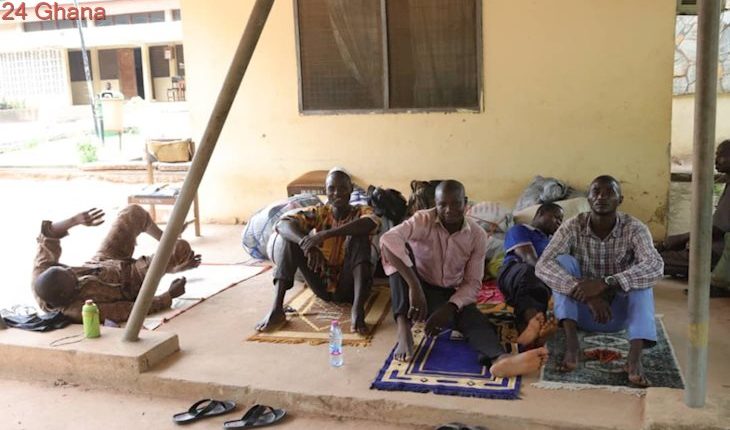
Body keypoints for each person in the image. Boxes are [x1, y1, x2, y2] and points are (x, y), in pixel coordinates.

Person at [380, 180, 548, 378]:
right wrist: (415, 287)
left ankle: (500, 359)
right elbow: (388, 240)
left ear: (465, 203)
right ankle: (403, 329)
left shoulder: (477, 235)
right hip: (416, 282)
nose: (448, 210)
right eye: (442, 204)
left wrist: (450, 307)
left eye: (455, 203)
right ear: (435, 204)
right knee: (397, 264)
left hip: (445, 291)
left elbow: (473, 283)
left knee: (473, 319)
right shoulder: (422, 220)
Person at [535, 175, 663, 387]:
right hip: (581, 313)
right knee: (563, 262)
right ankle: (572, 345)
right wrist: (585, 293)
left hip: (620, 315)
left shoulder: (634, 228)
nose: (601, 197)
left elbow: (655, 266)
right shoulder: (573, 225)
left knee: (642, 277)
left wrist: (606, 283)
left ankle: (634, 358)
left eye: (609, 192)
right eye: (596, 191)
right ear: (588, 198)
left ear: (620, 200)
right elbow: (543, 265)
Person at [255, 168, 379, 335]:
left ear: (351, 189)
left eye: (343, 188)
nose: (337, 193)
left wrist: (326, 234)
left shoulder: (361, 211)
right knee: (289, 240)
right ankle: (277, 308)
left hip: (349, 285)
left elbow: (371, 223)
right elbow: (282, 224)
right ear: (325, 191)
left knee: (359, 237)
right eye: (331, 189)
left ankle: (357, 310)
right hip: (321, 284)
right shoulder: (319, 213)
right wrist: (306, 243)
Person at [32, 205, 201, 324]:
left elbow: (48, 236)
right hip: (131, 280)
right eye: (70, 275)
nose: (70, 269)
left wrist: (75, 220)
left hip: (102, 261)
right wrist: (169, 296)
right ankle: (168, 261)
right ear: (67, 293)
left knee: (132, 213)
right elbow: (130, 310)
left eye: (66, 269)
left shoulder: (41, 276)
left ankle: (166, 239)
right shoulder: (80, 311)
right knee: (180, 248)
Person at [657, 140, 730, 292]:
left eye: (721, 155)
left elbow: (716, 230)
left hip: (719, 253)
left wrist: (680, 239)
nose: (716, 160)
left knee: (653, 260)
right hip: (716, 248)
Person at [497, 202, 564, 346]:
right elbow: (528, 258)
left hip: (541, 280)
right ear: (540, 213)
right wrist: (554, 280)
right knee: (529, 271)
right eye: (556, 218)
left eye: (561, 220)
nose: (559, 223)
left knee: (539, 288)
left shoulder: (553, 242)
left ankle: (534, 332)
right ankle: (533, 323)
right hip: (514, 271)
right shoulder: (520, 229)